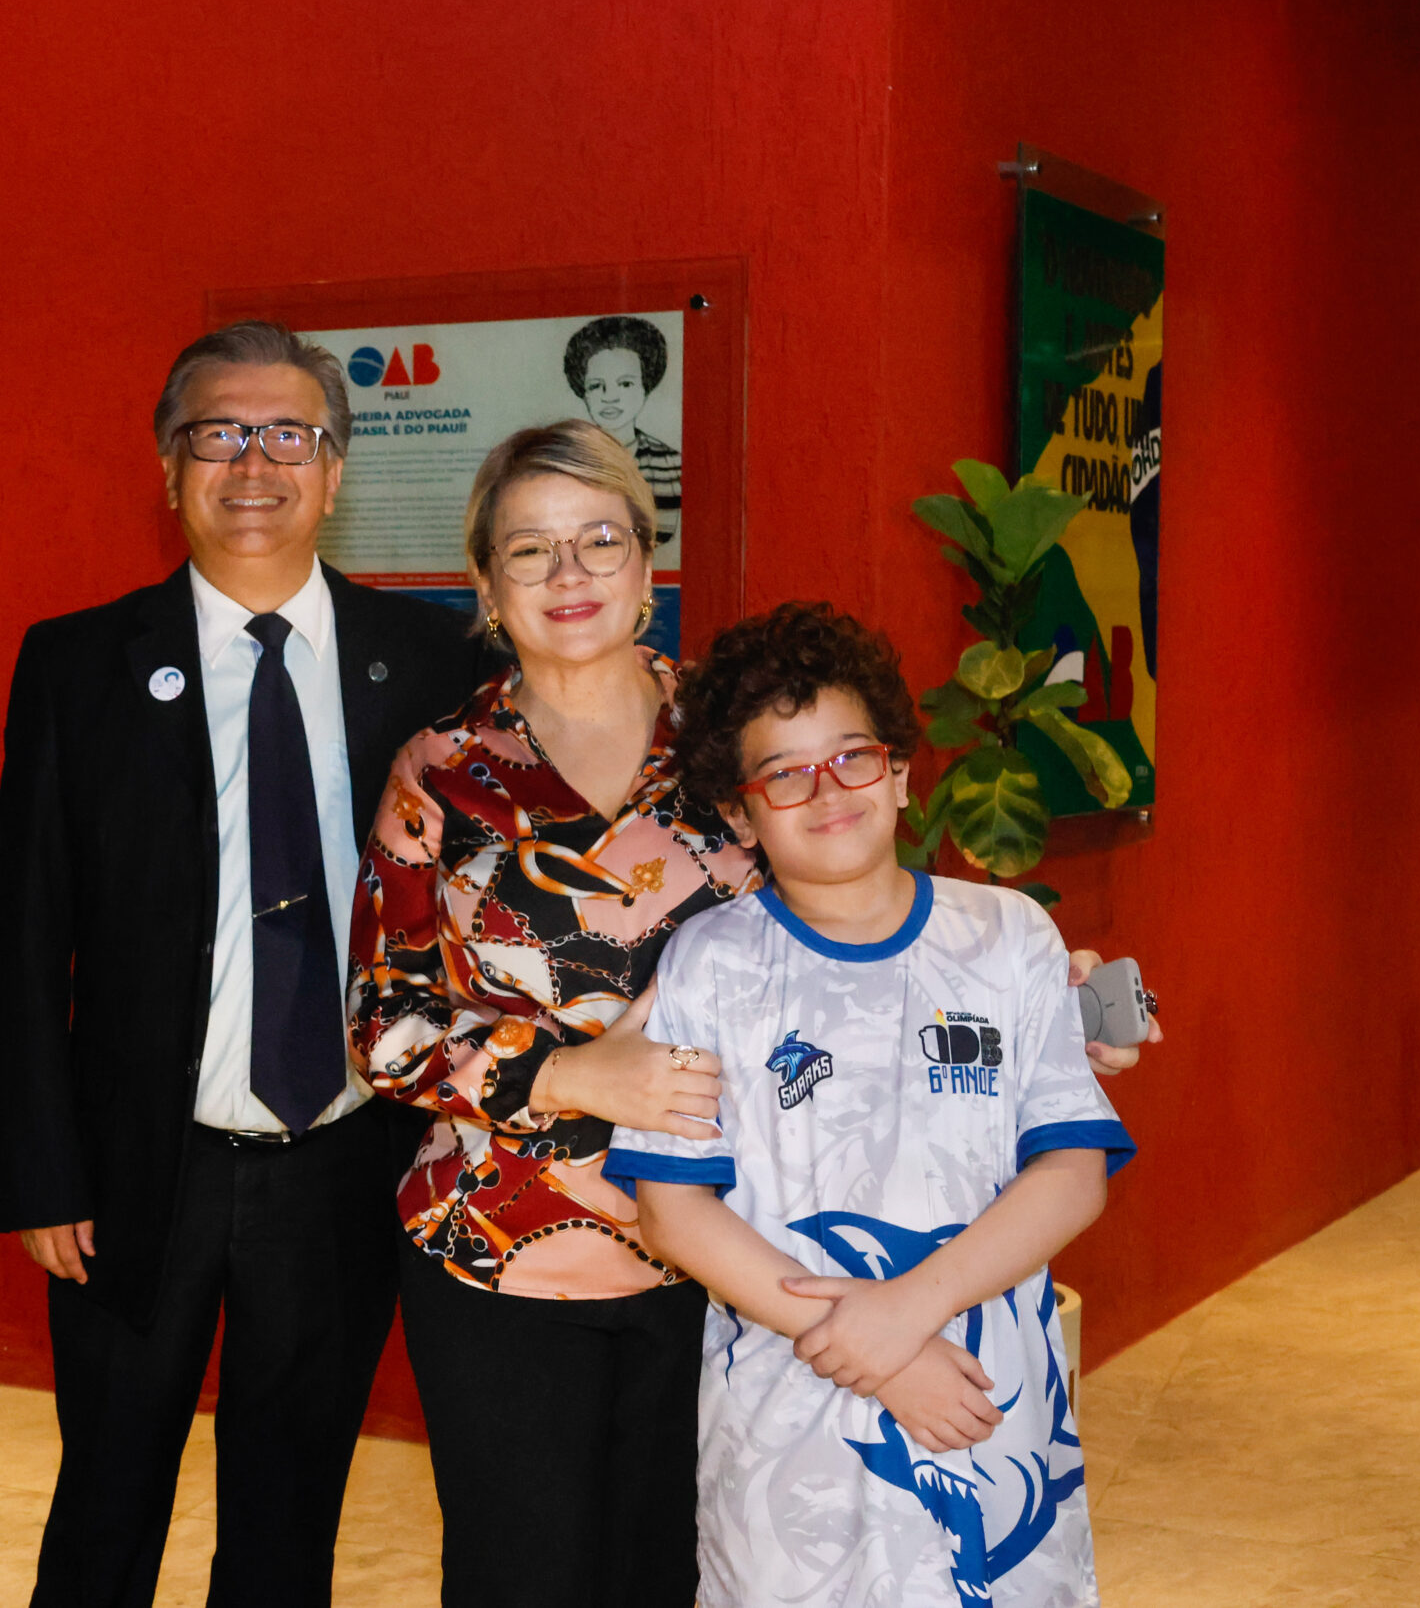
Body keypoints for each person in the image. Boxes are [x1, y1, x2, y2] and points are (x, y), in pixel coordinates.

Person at [347, 421, 1152, 1606]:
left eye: (599, 539)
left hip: (733, 1263)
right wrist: (569, 1076)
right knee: (519, 1580)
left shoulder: (736, 728)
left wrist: (1053, 988)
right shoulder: (443, 770)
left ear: (646, 557)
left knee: (687, 1575)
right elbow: (382, 1024)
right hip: (503, 1253)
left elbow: (875, 912)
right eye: (530, 550)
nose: (569, 574)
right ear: (485, 581)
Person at [0, 320, 482, 1607]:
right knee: (105, 1506)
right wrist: (42, 1172)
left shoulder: (434, 668)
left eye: (288, 435)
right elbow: (30, 938)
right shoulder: (77, 664)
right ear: (168, 466)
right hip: (137, 1171)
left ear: (333, 471)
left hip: (340, 1162)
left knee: (287, 1523)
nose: (253, 462)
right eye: (218, 433)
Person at [607, 601, 1131, 1607]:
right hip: (790, 1426)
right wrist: (879, 1355)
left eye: (851, 757)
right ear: (739, 814)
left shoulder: (1009, 937)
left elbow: (1071, 1172)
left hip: (984, 1404)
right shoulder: (711, 963)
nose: (826, 790)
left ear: (897, 772)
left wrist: (909, 1311)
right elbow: (673, 1210)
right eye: (783, 772)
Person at [562, 315, 683, 552]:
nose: (610, 397)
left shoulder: (673, 465)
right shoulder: (561, 462)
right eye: (596, 386)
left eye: (625, 384)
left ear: (646, 386)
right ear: (583, 391)